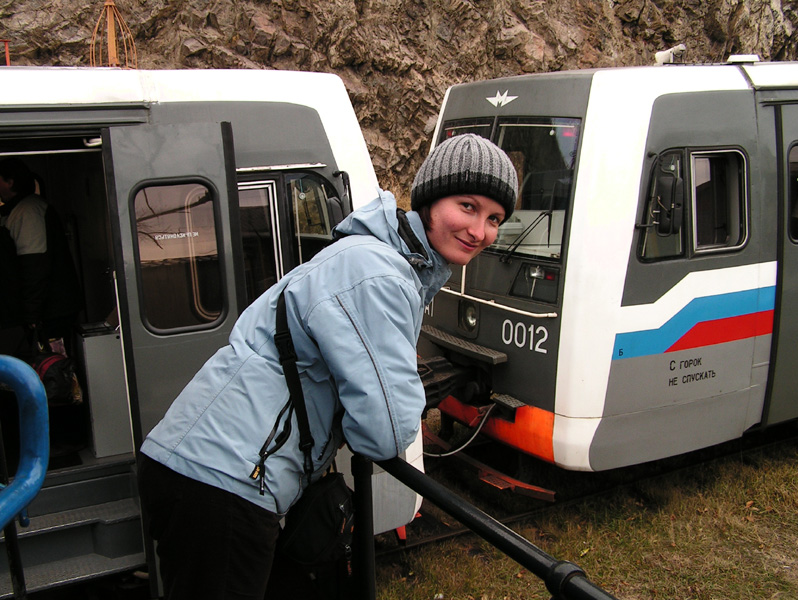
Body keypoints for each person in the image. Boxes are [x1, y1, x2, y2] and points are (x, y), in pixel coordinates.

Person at [137, 133, 518, 600]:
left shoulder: (377, 260)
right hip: (222, 481)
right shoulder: (378, 272)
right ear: (430, 202)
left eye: (495, 219)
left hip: (209, 469)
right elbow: (384, 432)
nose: (480, 231)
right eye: (468, 206)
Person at [0, 157, 82, 352]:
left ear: (10, 182)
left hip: (51, 312)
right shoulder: (14, 212)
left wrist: (31, 316)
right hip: (44, 309)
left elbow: (35, 267)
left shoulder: (28, 212)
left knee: (54, 365)